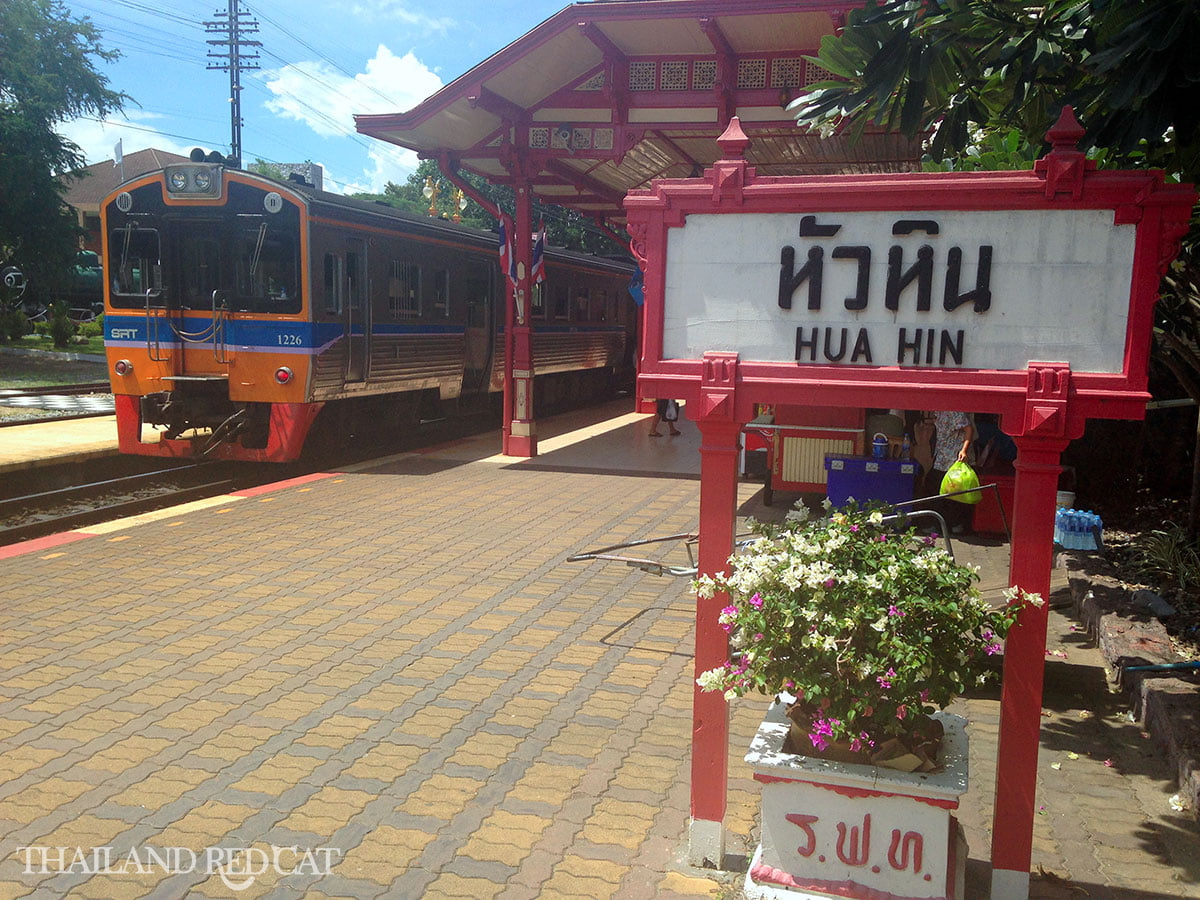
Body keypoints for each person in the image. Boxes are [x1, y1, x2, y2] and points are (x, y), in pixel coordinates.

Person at [929, 410, 975, 534]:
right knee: (939, 490)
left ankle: (951, 524)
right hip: (941, 456)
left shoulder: (954, 412)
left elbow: (969, 429)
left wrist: (964, 450)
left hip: (952, 457)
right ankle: (942, 524)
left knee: (950, 492)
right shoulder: (938, 413)